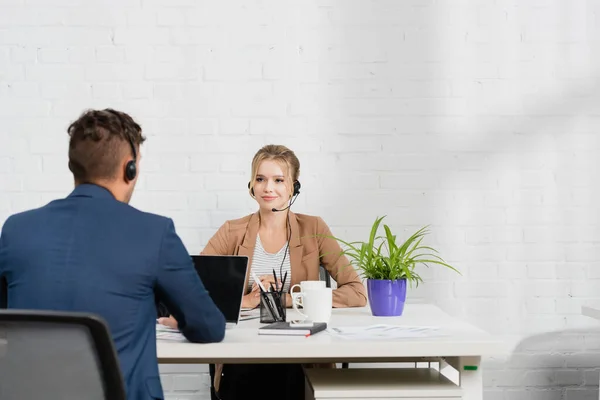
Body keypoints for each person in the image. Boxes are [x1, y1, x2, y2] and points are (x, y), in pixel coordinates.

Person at [0, 109, 226, 400]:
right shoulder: (153, 232)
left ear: (73, 165)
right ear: (129, 168)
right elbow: (208, 327)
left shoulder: (16, 230)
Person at [169, 144, 367, 399]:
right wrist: (248, 301)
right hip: (244, 354)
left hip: (300, 354)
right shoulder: (232, 231)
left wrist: (287, 299)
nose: (268, 188)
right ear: (251, 185)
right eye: (260, 179)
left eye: (278, 180)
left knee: (290, 377)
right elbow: (191, 289)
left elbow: (356, 292)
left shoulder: (313, 228)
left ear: (294, 187)